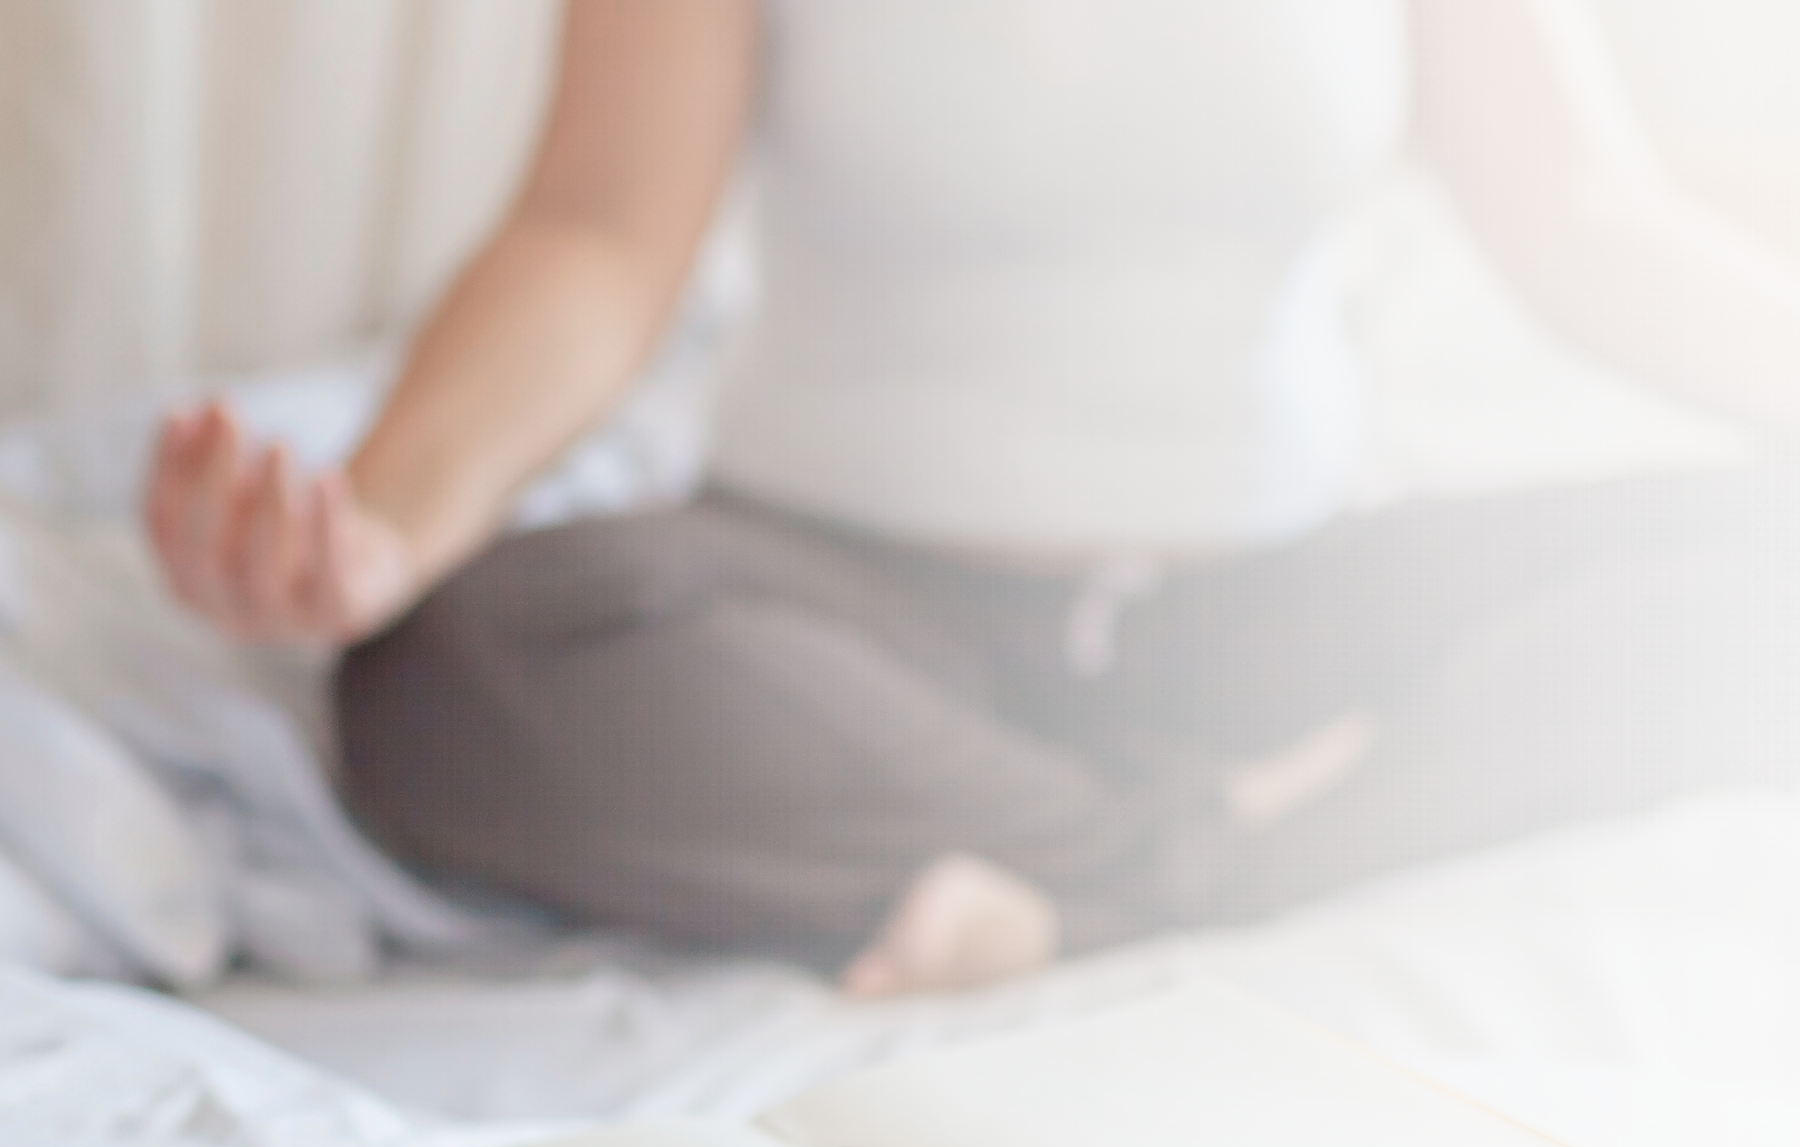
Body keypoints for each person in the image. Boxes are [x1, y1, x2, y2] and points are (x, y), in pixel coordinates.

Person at [144, 0, 1800, 995]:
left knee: (1758, 570)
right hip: (844, 609)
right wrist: (382, 519)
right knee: (457, 666)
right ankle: (1229, 851)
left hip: (1263, 607)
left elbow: (1588, 216)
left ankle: (1097, 885)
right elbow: (596, 233)